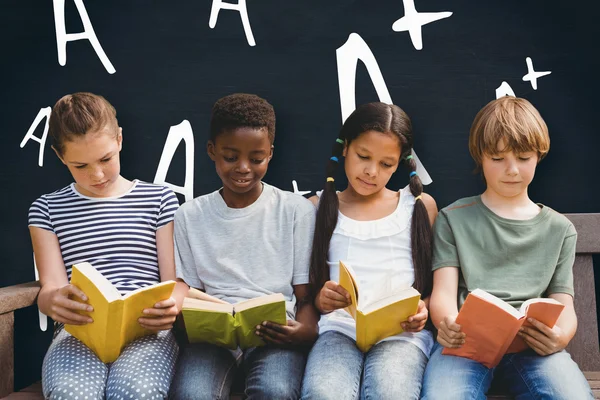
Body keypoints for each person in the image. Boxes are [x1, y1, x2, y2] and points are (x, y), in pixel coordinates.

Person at [420, 96, 593, 399]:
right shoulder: (453, 218)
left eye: (523, 158)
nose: (511, 170)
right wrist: (446, 322)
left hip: (532, 350)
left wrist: (560, 336)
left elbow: (564, 303)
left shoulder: (559, 229)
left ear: (539, 156)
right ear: (480, 158)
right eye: (498, 159)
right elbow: (444, 292)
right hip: (466, 345)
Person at [28, 92, 187, 399]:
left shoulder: (160, 200)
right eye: (80, 165)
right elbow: (50, 289)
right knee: (69, 392)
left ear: (119, 140)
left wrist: (173, 305)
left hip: (146, 329)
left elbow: (174, 281)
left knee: (137, 391)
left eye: (105, 159)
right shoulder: (46, 209)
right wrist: (54, 301)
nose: (97, 174)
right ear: (60, 157)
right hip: (80, 331)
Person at [169, 93, 318, 400]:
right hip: (213, 339)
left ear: (270, 154)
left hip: (274, 334)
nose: (243, 168)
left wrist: (305, 331)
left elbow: (304, 296)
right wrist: (185, 319)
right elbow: (188, 292)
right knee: (192, 393)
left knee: (274, 391)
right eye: (231, 156)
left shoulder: (295, 210)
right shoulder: (190, 215)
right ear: (211, 150)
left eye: (256, 158)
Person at [300, 102, 438, 400]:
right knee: (323, 393)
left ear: (400, 162)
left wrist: (423, 308)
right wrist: (323, 298)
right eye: (363, 156)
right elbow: (309, 288)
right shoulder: (318, 207)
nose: (371, 172)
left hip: (401, 333)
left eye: (386, 164)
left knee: (391, 392)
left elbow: (433, 282)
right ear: (346, 147)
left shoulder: (417, 207)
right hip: (339, 327)